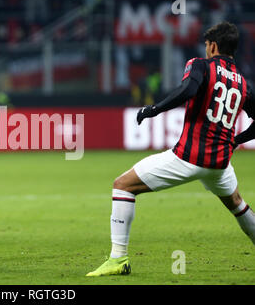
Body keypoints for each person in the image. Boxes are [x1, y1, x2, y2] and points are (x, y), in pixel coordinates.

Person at [87, 21, 255, 276]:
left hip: (189, 158)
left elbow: (188, 89)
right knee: (237, 204)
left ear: (213, 45)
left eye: (207, 45)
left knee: (122, 185)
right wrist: (237, 139)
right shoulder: (244, 84)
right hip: (220, 163)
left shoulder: (201, 65)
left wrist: (153, 109)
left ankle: (118, 259)